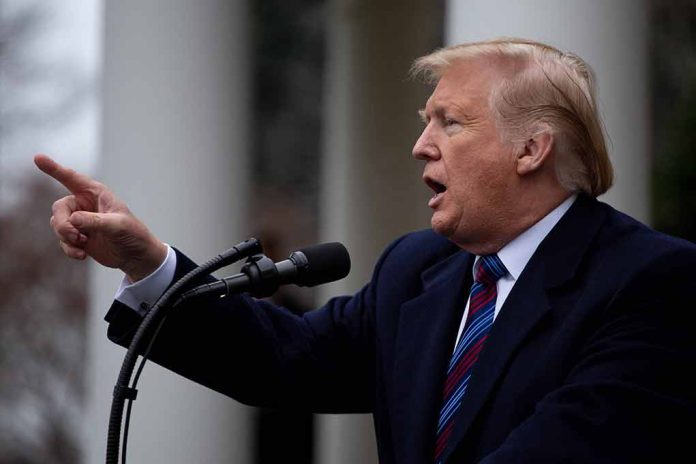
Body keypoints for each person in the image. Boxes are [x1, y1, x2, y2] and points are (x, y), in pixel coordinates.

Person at [36, 38, 696, 464]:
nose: (421, 145)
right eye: (423, 123)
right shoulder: (419, 271)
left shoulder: (652, 281)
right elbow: (284, 362)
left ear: (532, 149)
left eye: (451, 122)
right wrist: (145, 261)